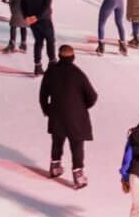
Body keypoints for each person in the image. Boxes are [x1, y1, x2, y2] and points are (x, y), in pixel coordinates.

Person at [40, 49, 97, 188]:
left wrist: (48, 110)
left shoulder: (51, 71)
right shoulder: (78, 74)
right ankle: (78, 175)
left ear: (59, 56)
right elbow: (92, 96)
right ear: (73, 57)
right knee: (76, 144)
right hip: (76, 116)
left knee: (57, 140)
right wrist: (82, 107)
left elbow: (43, 95)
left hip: (56, 114)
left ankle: (55, 166)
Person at [17, 0, 56, 71]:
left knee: (38, 42)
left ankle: (37, 65)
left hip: (32, 20)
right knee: (50, 40)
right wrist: (38, 17)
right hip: (44, 19)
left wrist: (26, 17)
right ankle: (52, 62)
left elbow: (22, 4)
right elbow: (46, 6)